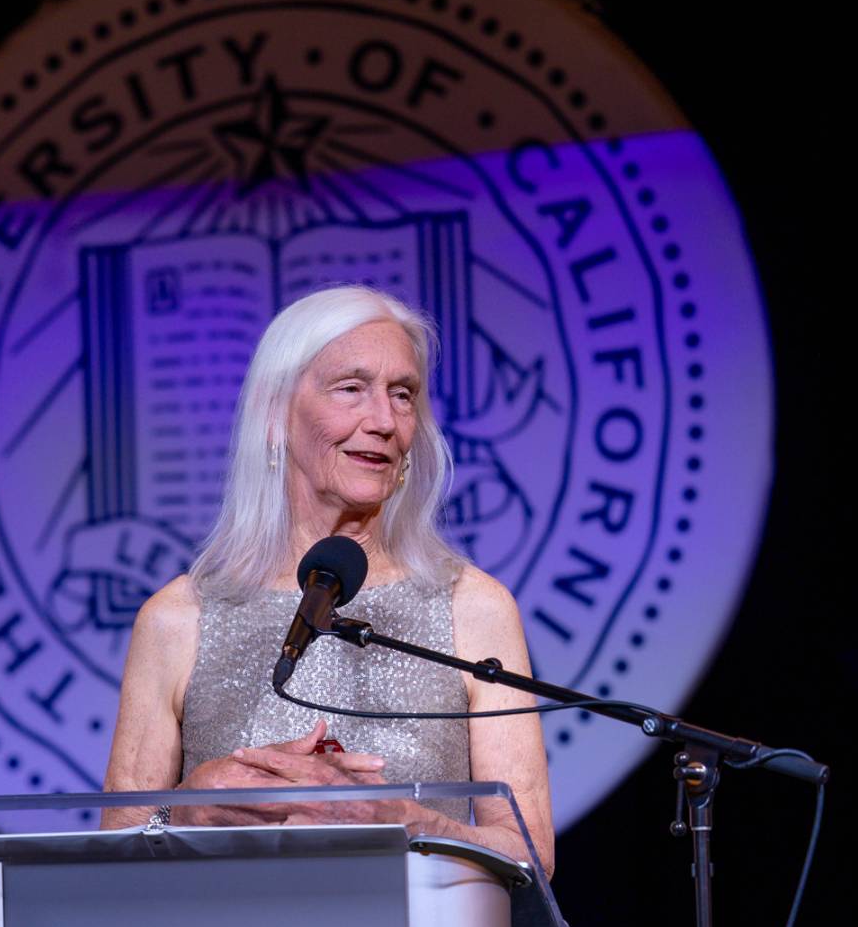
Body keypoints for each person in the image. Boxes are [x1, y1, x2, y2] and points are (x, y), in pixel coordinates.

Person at [103, 285, 554, 875]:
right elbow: (114, 849)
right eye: (351, 389)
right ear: (274, 415)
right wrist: (187, 815)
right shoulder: (177, 617)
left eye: (403, 394)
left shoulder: (473, 607)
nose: (385, 421)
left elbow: (531, 852)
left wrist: (416, 825)